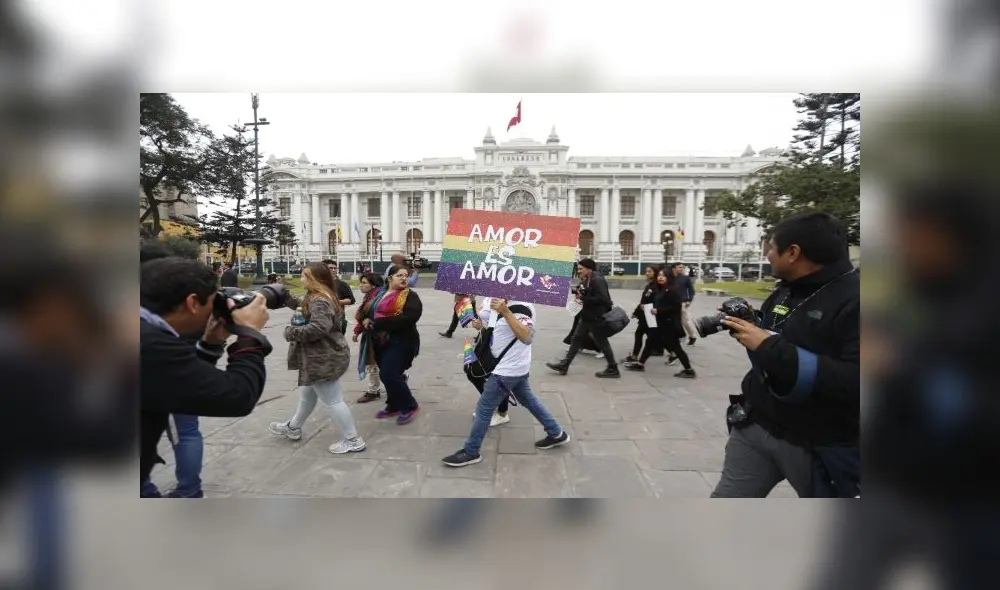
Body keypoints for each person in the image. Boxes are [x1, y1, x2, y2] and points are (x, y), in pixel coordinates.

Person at [711, 212, 859, 498]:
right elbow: (774, 333)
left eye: (770, 247)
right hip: (755, 425)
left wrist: (767, 345)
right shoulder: (786, 290)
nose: (766, 255)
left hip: (817, 443)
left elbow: (854, 381)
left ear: (792, 253)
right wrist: (750, 326)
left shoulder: (856, 300)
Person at [140, 257, 271, 498]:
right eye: (213, 303)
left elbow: (183, 383)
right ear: (192, 302)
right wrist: (250, 336)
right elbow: (237, 396)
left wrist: (210, 344)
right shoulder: (149, 344)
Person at [443, 298, 570, 467]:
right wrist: (483, 327)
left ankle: (471, 451)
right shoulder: (502, 303)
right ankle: (556, 433)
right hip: (515, 367)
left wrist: (506, 312)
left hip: (507, 369)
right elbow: (501, 332)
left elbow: (527, 336)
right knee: (529, 400)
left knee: (484, 408)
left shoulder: (520, 307)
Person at [268, 263, 365, 454]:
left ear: (314, 279)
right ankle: (293, 427)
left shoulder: (320, 300)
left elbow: (319, 328)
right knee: (307, 394)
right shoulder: (316, 296)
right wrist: (284, 294)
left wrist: (291, 332)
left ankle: (353, 439)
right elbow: (302, 305)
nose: (301, 278)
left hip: (322, 357)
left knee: (334, 400)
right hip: (319, 355)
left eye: (304, 275)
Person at [359, 265, 422, 424]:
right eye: (399, 275)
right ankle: (394, 405)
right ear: (390, 277)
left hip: (401, 341)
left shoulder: (410, 296)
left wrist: (378, 323)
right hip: (379, 341)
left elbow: (409, 318)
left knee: (389, 374)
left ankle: (409, 405)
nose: (404, 278)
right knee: (389, 374)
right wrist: (364, 320)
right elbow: (365, 310)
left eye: (406, 275)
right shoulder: (379, 293)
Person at [546, 258, 619, 378]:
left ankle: (613, 368)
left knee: (602, 342)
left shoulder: (597, 279)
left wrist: (583, 298)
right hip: (588, 316)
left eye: (581, 269)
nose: (578, 271)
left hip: (596, 317)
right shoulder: (588, 279)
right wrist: (580, 292)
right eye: (578, 269)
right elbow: (590, 294)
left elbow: (603, 299)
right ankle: (564, 365)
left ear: (589, 268)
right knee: (576, 338)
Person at [626, 269, 696, 377]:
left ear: (669, 277)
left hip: (669, 324)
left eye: (664, 276)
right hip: (659, 322)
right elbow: (659, 304)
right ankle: (640, 364)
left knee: (676, 347)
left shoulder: (672, 290)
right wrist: (648, 307)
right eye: (659, 275)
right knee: (649, 342)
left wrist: (659, 311)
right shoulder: (661, 290)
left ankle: (689, 370)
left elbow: (675, 308)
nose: (660, 277)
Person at [353, 273, 385, 404]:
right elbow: (363, 316)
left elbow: (379, 316)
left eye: (364, 282)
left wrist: (369, 321)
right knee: (378, 363)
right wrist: (357, 330)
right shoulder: (371, 297)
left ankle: (373, 391)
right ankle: (399, 377)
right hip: (372, 334)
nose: (361, 285)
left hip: (378, 335)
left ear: (373, 285)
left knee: (373, 363)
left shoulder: (379, 298)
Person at [624, 265, 663, 363]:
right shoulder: (650, 285)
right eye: (646, 271)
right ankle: (635, 356)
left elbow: (657, 300)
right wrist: (637, 312)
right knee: (647, 334)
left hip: (651, 314)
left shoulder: (656, 286)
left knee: (644, 334)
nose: (647, 273)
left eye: (649, 271)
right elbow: (644, 300)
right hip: (645, 314)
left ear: (655, 273)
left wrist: (649, 307)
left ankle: (635, 357)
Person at [322, 259, 356, 335]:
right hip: (320, 321)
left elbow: (352, 300)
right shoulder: (317, 285)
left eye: (335, 268)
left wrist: (338, 301)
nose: (334, 270)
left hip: (338, 320)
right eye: (330, 268)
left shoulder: (342, 284)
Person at [670, 262, 698, 345]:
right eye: (679, 267)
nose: (681, 269)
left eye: (682, 267)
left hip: (683, 302)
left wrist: (689, 300)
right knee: (672, 321)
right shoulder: (669, 278)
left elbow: (691, 291)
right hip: (671, 302)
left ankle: (692, 336)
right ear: (674, 268)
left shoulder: (685, 278)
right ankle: (677, 337)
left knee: (685, 320)